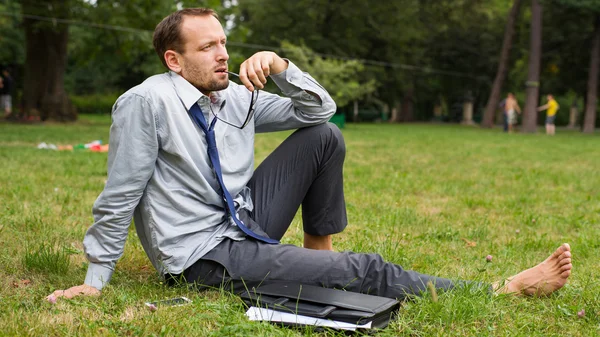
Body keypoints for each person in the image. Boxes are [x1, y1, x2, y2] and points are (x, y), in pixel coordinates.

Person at [47, 8, 572, 304]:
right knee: (361, 269)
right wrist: (95, 282)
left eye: (224, 42)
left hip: (246, 220)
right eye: (207, 47)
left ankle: (317, 253)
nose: (223, 53)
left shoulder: (236, 94)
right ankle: (499, 290)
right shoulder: (146, 103)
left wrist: (281, 67)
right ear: (174, 59)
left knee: (326, 138)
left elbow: (321, 112)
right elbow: (120, 195)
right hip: (202, 255)